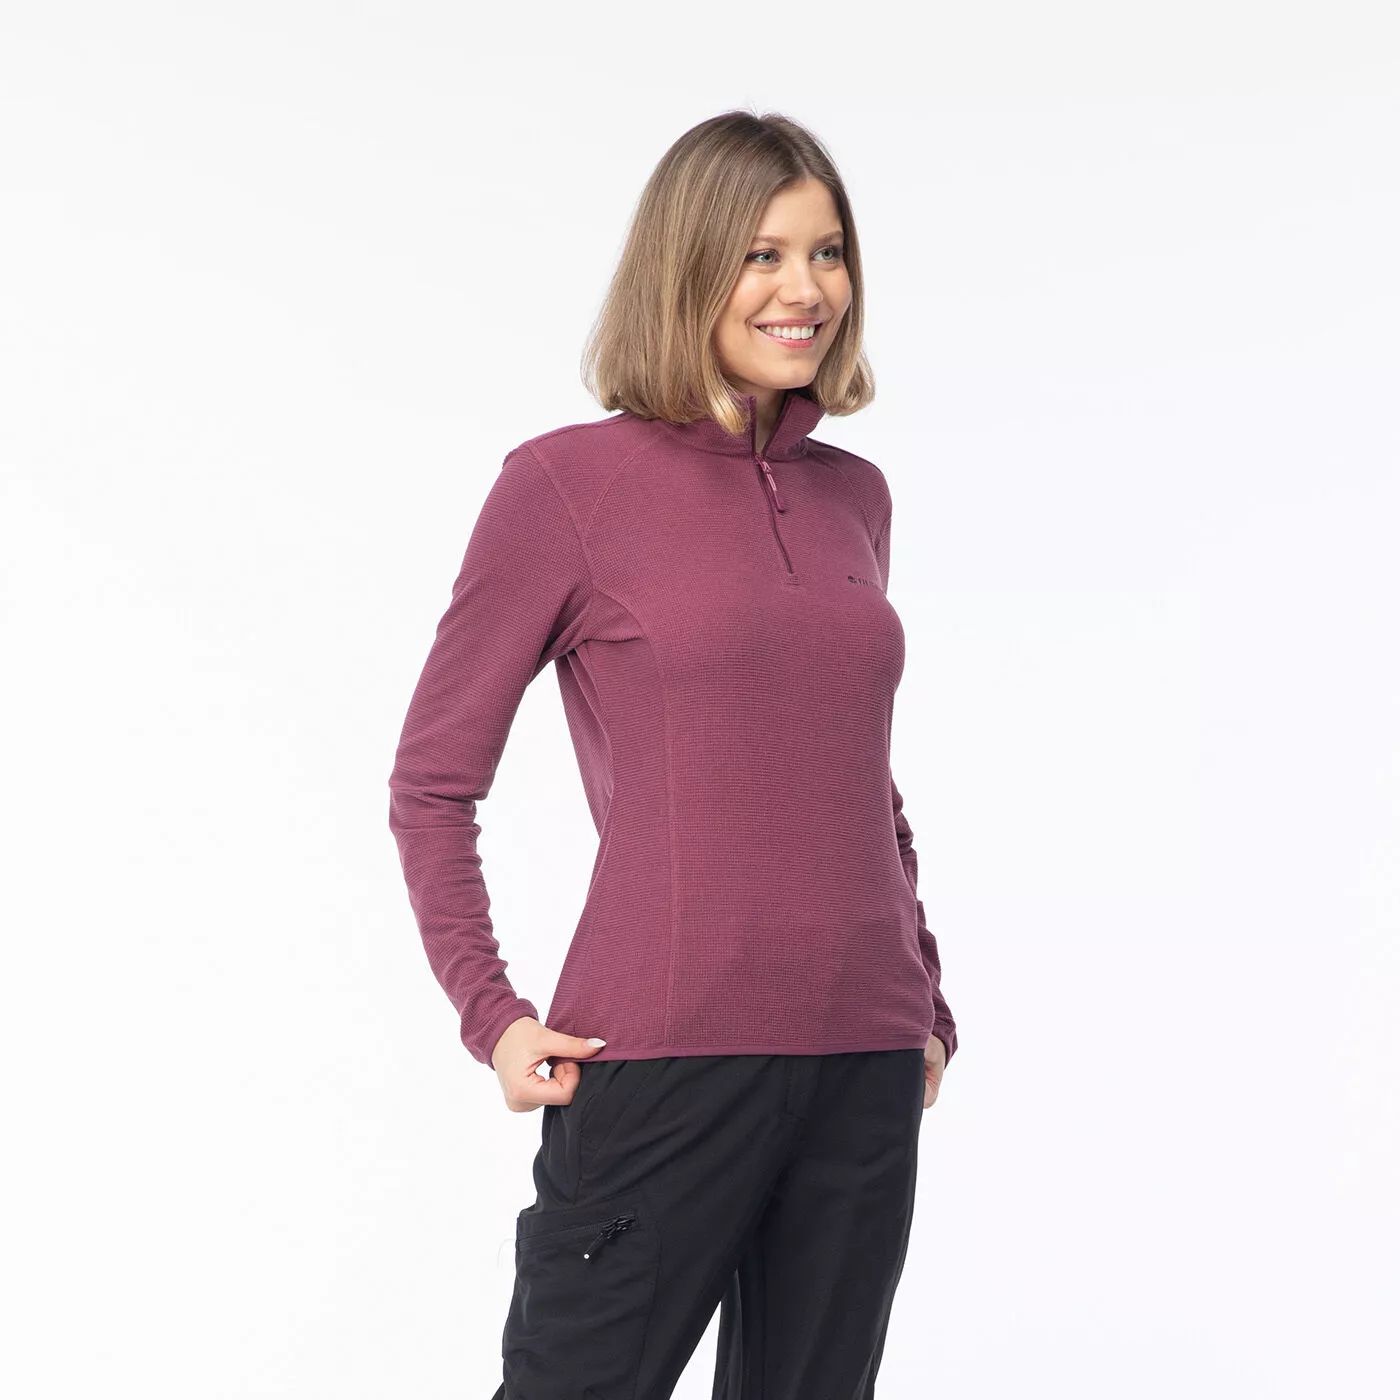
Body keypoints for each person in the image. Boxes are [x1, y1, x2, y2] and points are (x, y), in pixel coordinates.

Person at [387, 108, 960, 1400]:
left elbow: (861, 781)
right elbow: (432, 783)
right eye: (762, 255)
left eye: (826, 253)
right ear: (686, 264)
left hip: (862, 1058)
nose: (804, 290)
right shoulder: (563, 486)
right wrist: (492, 1014)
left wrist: (922, 997)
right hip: (660, 1057)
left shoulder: (854, 496)